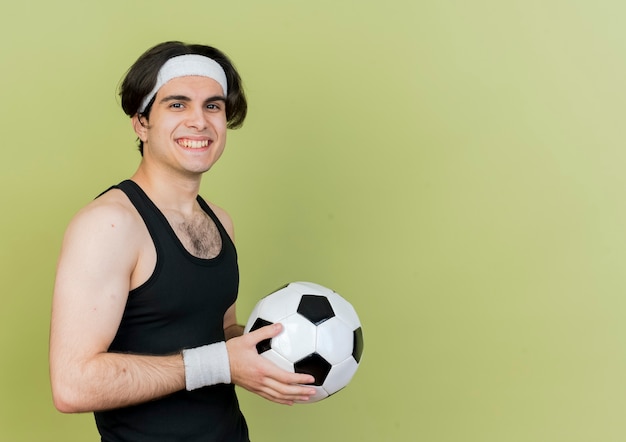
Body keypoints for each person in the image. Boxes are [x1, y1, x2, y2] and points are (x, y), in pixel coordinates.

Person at [49, 41, 316, 441]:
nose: (199, 121)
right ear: (141, 123)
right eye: (177, 105)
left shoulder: (218, 220)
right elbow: (73, 385)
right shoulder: (109, 225)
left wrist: (282, 344)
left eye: (213, 106)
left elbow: (219, 332)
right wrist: (220, 364)